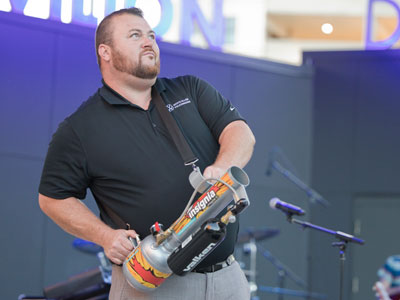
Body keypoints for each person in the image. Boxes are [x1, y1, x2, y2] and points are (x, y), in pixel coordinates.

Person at [38, 7, 255, 300]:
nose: (148, 41)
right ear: (106, 51)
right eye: (135, 35)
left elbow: (240, 133)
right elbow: (52, 198)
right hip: (153, 285)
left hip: (227, 277)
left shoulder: (190, 89)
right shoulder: (80, 128)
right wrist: (105, 236)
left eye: (151, 35)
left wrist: (221, 168)